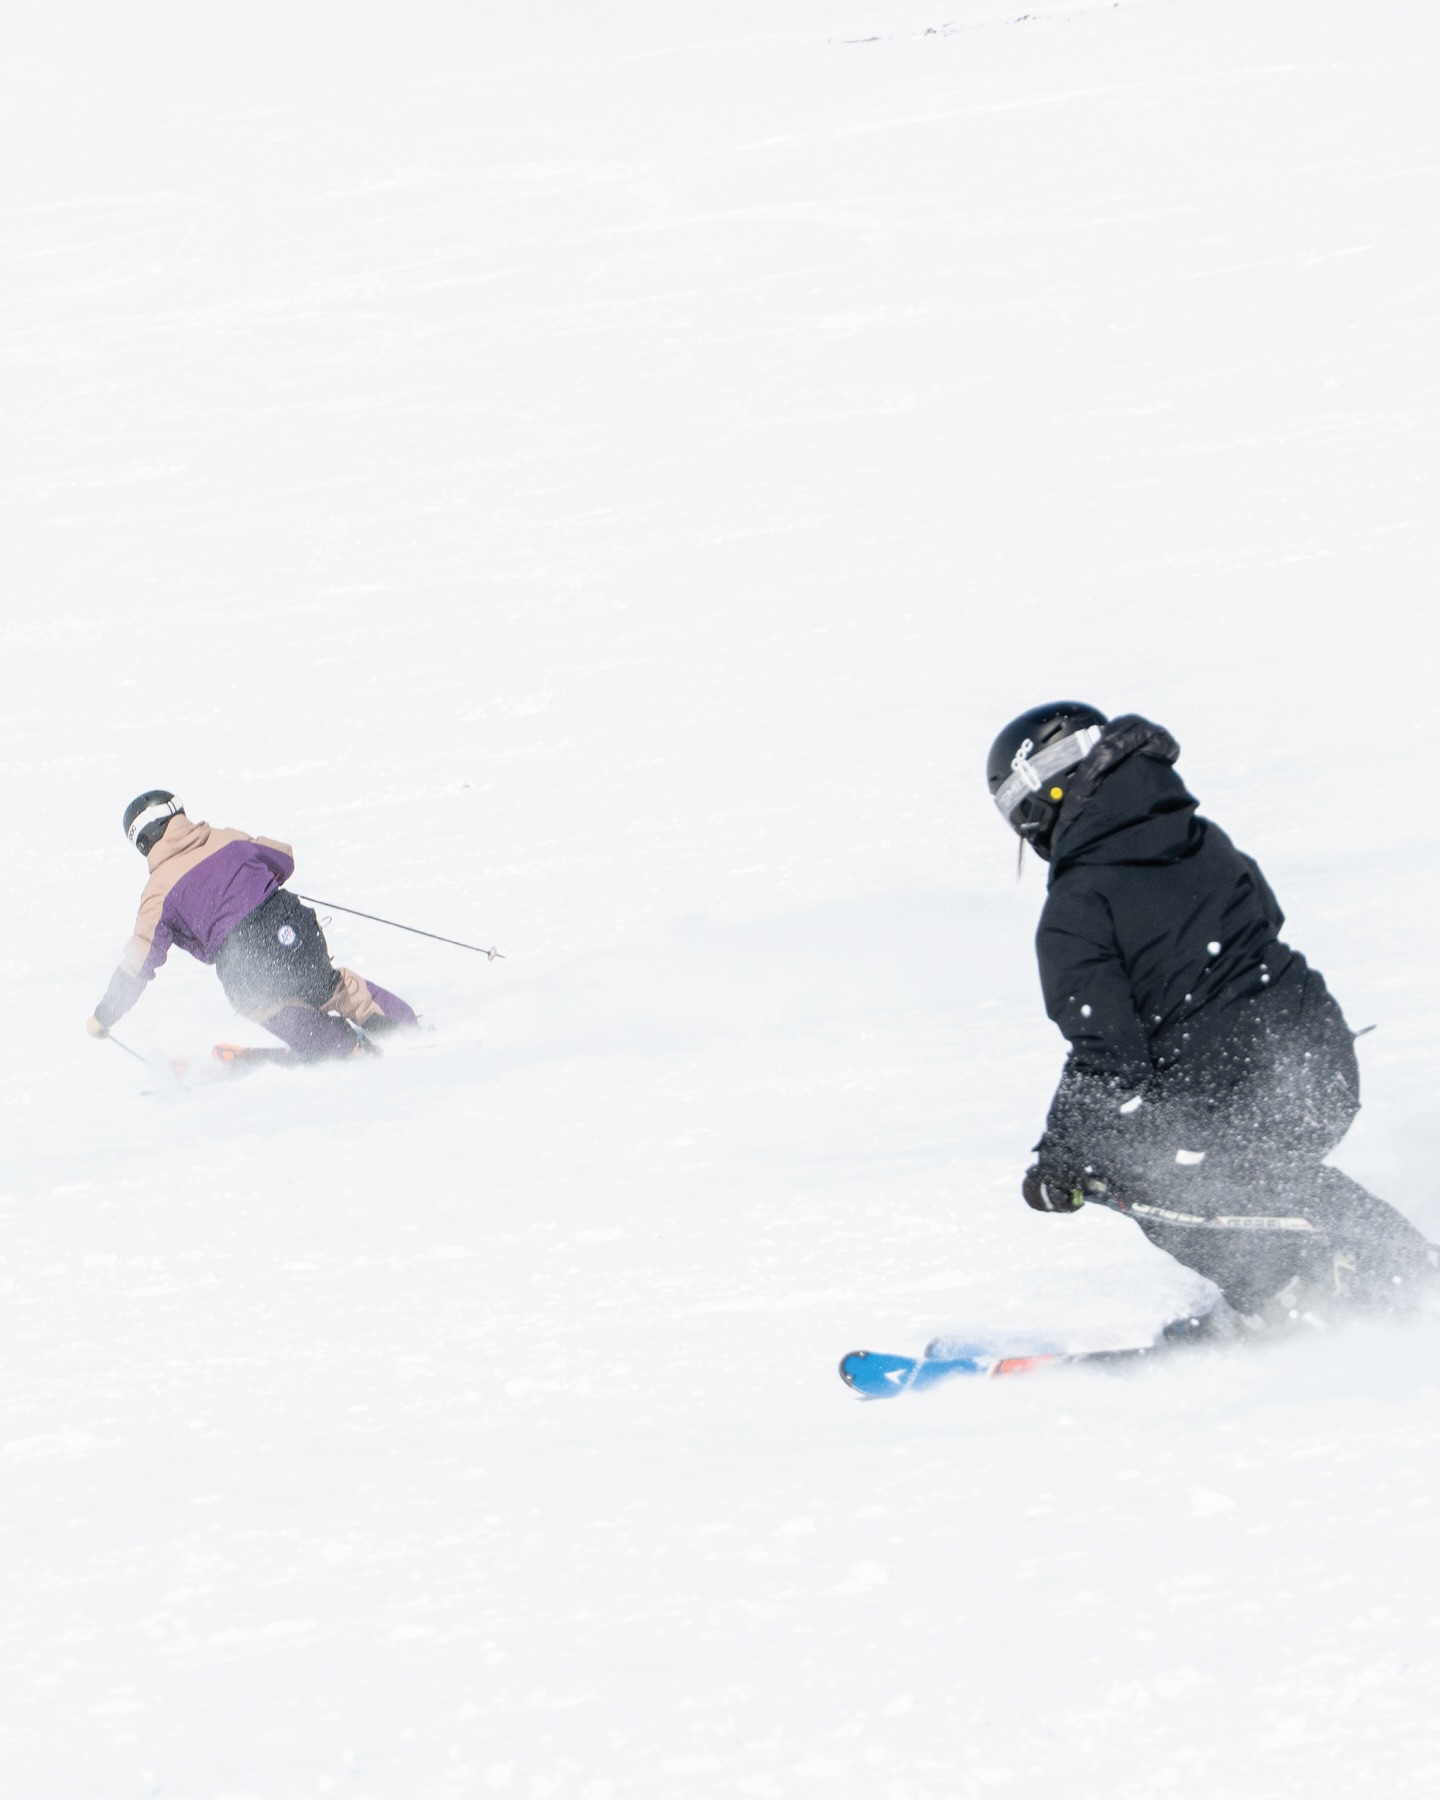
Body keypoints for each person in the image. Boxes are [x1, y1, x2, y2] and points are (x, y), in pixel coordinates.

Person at [987, 705, 1435, 1320]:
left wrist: (1061, 1159)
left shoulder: (1078, 903)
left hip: (1243, 1087)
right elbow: (1265, 920)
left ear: (1037, 796)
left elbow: (1107, 1055)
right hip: (1319, 1059)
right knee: (1260, 1173)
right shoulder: (1198, 835)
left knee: (1130, 1170)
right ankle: (1387, 1277)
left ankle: (1292, 1302)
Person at [88, 791, 418, 1058]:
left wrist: (105, 1015)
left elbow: (138, 963)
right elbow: (283, 856)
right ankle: (403, 1028)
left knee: (264, 1004)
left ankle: (342, 1048)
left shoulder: (157, 893)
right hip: (288, 925)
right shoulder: (226, 839)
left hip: (240, 959)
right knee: (329, 987)